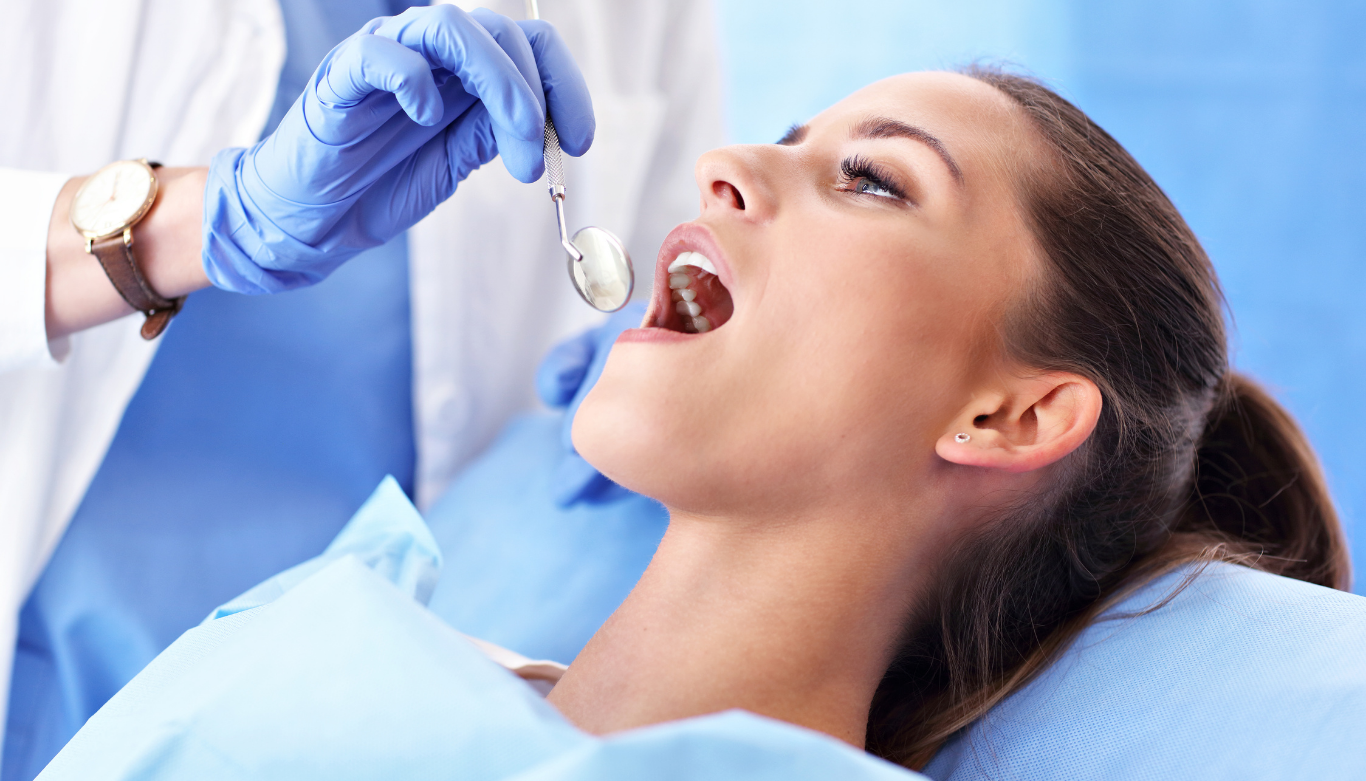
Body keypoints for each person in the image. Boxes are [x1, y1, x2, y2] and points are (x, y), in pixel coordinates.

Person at [27, 64, 1366, 781]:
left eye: (872, 180)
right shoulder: (329, 627)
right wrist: (178, 229)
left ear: (1011, 412)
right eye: (783, 133)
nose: (723, 165)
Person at [0, 0, 723, 777]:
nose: (740, 171)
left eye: (866, 180)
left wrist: (643, 357)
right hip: (54, 702)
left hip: (371, 726)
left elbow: (668, 276)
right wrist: (202, 222)